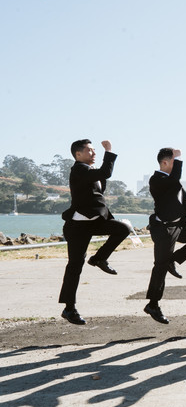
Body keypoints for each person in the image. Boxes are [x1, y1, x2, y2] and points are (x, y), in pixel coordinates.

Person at [57, 139, 131, 325]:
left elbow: (99, 186)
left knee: (123, 228)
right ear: (78, 154)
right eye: (89, 150)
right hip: (78, 226)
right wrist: (109, 151)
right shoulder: (79, 169)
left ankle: (98, 258)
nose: (94, 153)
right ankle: (69, 308)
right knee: (75, 266)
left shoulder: (91, 171)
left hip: (95, 222)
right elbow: (106, 171)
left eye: (94, 150)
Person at [144, 147, 186, 324]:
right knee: (159, 267)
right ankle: (153, 304)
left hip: (179, 225)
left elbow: (184, 199)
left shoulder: (174, 181)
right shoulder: (157, 179)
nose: (177, 167)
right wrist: (179, 158)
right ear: (165, 162)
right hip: (163, 228)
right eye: (175, 162)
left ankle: (172, 260)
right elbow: (175, 182)